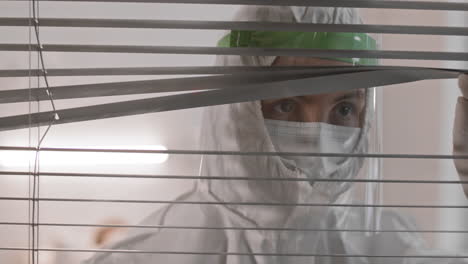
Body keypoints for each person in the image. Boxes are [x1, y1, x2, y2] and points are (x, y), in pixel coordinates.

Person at [84, 5, 468, 264]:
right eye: (287, 105)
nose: (318, 135)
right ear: (236, 112)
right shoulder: (151, 255)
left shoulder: (390, 249)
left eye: (344, 109)